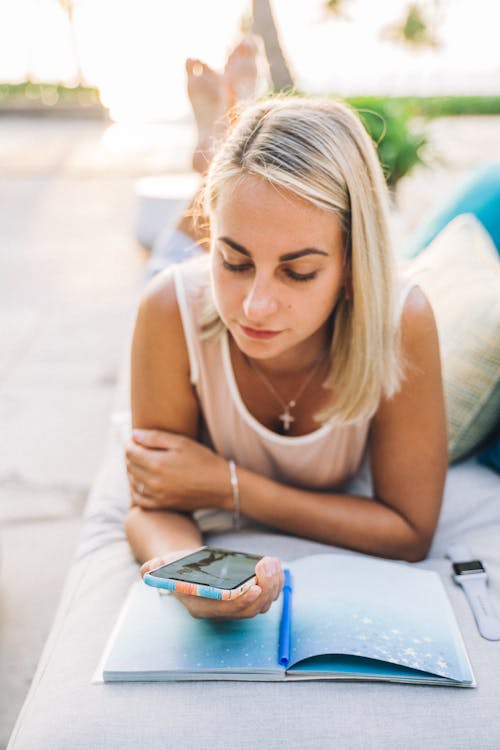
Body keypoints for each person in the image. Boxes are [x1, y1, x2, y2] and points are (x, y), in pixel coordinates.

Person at [124, 40, 448, 622]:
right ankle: (215, 146)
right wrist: (186, 576)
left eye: (299, 271)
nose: (255, 306)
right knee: (163, 267)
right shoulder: (171, 308)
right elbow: (151, 502)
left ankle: (227, 127)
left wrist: (228, 487)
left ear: (352, 266)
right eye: (234, 260)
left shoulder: (402, 320)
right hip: (179, 301)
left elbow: (411, 531)